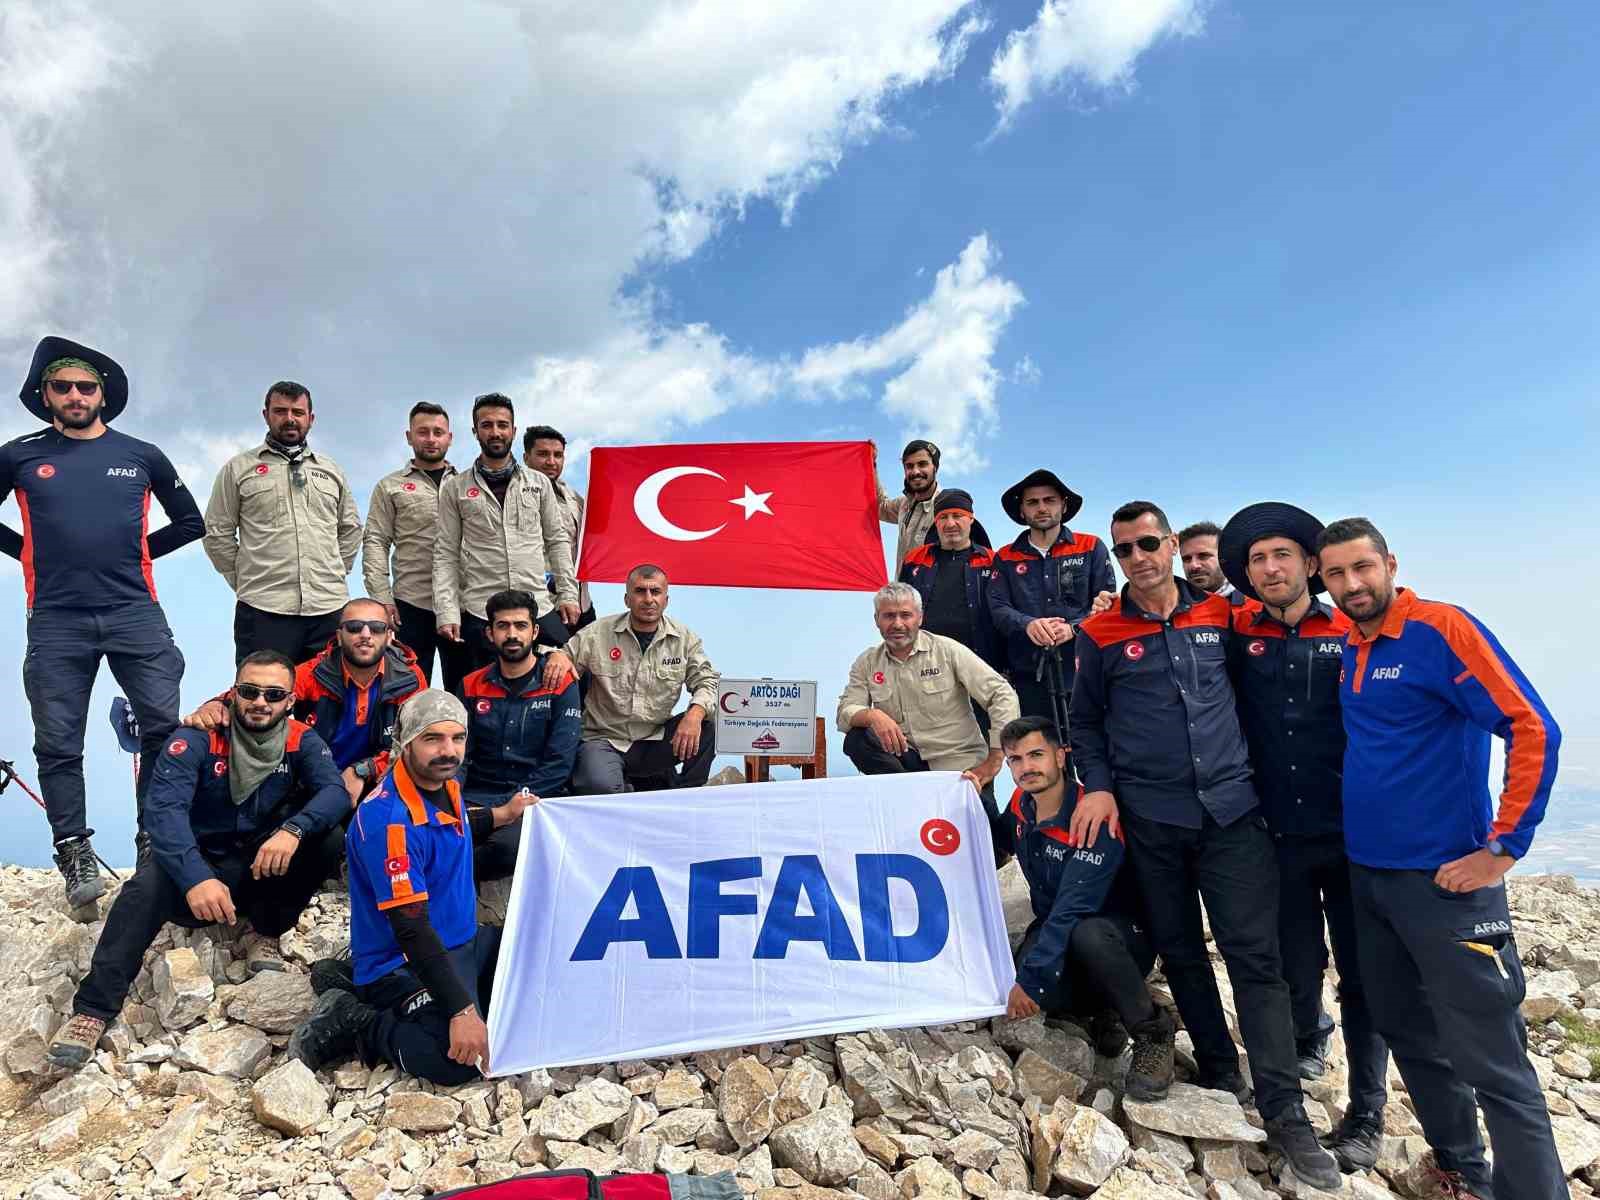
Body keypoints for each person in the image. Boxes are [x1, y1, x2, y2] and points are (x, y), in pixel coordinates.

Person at [1070, 500, 1338, 1189]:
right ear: (1115, 556)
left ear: (1172, 545)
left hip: (1232, 816)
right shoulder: (1098, 633)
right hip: (1151, 821)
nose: (1140, 557)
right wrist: (1095, 785)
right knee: (1183, 952)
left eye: (1150, 543)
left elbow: (1284, 648)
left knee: (1256, 962)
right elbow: (1088, 722)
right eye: (1125, 548)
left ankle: (1286, 1113)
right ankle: (1219, 1066)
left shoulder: (1226, 613)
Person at [1319, 516, 1563, 1200]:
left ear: (1390, 564)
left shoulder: (1440, 628)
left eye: (1361, 568)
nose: (1351, 584)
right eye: (1335, 574)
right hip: (1370, 878)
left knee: (1494, 1062)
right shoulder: (1349, 640)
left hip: (1449, 886)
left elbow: (1532, 725)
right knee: (1408, 1031)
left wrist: (1504, 849)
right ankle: (1462, 1172)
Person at [46, 651, 348, 1069]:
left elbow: (334, 793)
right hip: (199, 869)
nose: (260, 702)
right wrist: (194, 879)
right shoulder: (198, 737)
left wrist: (292, 831)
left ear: (290, 701)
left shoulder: (301, 740)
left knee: (328, 840)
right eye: (250, 691)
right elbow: (163, 812)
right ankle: (92, 1010)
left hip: (259, 868)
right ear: (234, 692)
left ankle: (265, 932)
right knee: (143, 888)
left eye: (273, 694)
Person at [2, 337, 203, 905]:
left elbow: (191, 522)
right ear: (44, 394)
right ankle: (73, 849)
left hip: (134, 611)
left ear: (102, 395)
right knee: (58, 742)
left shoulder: (142, 454)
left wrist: (133, 554)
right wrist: (25, 553)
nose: (74, 395)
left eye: (85, 387)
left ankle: (154, 839)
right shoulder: (18, 454)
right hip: (56, 618)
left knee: (164, 730)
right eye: (61, 386)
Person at [1219, 503, 1387, 1172]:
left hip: (1354, 838)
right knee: (1295, 969)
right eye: (1258, 560)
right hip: (1277, 838)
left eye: (1281, 554)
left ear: (1310, 563)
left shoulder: (1353, 630)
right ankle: (1295, 1078)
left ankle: (1367, 1111)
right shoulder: (1235, 632)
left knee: (1364, 977)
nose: (1270, 568)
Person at [288, 691, 536, 1084]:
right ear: (405, 742)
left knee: (543, 961)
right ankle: (357, 1020)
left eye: (457, 738)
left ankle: (348, 975)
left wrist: (503, 815)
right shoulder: (390, 821)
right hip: (403, 958)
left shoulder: (444, 786)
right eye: (432, 738)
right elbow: (411, 928)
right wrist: (461, 1012)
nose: (448, 751)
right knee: (456, 1060)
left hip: (464, 940)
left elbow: (452, 825)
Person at [1000, 716, 1173, 1101]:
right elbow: (988, 844)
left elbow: (1073, 907)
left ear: (1061, 757)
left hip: (1116, 937)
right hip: (1057, 926)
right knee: (1034, 983)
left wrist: (1032, 979)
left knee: (1081, 937)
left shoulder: (1091, 815)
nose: (1027, 767)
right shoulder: (1019, 806)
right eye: (1016, 759)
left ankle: (1152, 1032)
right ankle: (1102, 1011)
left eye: (1036, 755)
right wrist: (963, 792)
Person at [836, 582, 1020, 860]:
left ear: (920, 618)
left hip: (959, 771)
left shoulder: (947, 650)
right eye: (888, 616)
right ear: (877, 621)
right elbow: (845, 711)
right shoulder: (867, 663)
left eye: (905, 615)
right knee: (857, 739)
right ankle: (912, 800)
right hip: (907, 769)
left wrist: (995, 760)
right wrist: (872, 714)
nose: (897, 623)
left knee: (990, 854)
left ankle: (997, 843)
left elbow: (1001, 693)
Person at [184, 597, 426, 805]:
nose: (365, 635)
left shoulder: (410, 678)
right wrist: (216, 704)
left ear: (389, 636)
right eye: (354, 627)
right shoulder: (313, 673)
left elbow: (413, 744)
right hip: (316, 779)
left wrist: (364, 770)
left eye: (375, 628)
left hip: (382, 779)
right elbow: (262, 692)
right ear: (339, 636)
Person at [204, 381, 363, 664]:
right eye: (280, 411)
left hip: (328, 609)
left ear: (310, 419)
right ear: (266, 415)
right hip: (263, 609)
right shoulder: (239, 469)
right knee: (262, 699)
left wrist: (333, 571)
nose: (290, 419)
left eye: (298, 412)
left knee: (327, 701)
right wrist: (245, 580)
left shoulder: (331, 470)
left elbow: (349, 529)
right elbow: (217, 533)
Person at [538, 564, 719, 794]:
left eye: (655, 592)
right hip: (604, 740)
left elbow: (707, 681)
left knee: (707, 728)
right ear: (627, 598)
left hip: (654, 739)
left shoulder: (683, 639)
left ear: (666, 599)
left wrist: (695, 713)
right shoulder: (598, 633)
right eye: (640, 591)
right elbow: (562, 656)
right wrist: (557, 656)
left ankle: (684, 795)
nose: (648, 599)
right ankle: (624, 787)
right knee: (598, 786)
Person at [432, 393, 578, 671]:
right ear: (475, 431)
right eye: (487, 425)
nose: (495, 432)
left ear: (513, 429)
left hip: (537, 604)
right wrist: (447, 611)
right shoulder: (455, 488)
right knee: (474, 697)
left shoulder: (539, 484)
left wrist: (568, 594)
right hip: (480, 610)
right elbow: (446, 553)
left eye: (502, 424)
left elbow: (557, 542)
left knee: (566, 675)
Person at [460, 589, 583, 879]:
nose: (512, 634)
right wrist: (451, 798)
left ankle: (449, 877)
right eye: (503, 626)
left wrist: (518, 801)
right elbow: (460, 755)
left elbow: (560, 762)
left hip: (537, 799)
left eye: (521, 625)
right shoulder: (470, 685)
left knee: (507, 848)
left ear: (535, 631)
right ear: (490, 634)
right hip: (478, 797)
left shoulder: (560, 683)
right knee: (436, 833)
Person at [989, 469, 1115, 724]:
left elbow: (1107, 606)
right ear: (1022, 511)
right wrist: (1028, 625)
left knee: (1090, 751)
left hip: (1084, 673)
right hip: (1027, 679)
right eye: (1032, 502)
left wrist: (1073, 629)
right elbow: (998, 608)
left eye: (1050, 500)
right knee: (1040, 753)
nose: (1042, 508)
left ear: (1063, 505)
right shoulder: (1005, 557)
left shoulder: (1091, 546)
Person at [363, 402, 468, 691]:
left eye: (438, 432)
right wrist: (381, 598)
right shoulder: (390, 486)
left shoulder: (468, 485)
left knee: (465, 692)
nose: (431, 439)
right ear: (409, 437)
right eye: (423, 432)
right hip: (410, 606)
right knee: (405, 692)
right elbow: (375, 541)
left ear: (450, 437)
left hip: (461, 604)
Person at [897, 488, 1005, 672]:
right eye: (943, 517)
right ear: (935, 522)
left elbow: (1005, 613)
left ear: (971, 519)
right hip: (926, 665)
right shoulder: (914, 560)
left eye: (957, 515)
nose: (950, 523)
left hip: (982, 665)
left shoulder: (993, 561)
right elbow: (899, 610)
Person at [523, 424, 596, 632]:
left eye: (558, 455)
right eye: (543, 454)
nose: (551, 462)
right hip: (540, 607)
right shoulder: (513, 496)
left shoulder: (574, 498)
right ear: (526, 457)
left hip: (580, 604)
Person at [876, 439, 941, 569]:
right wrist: (871, 464)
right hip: (903, 588)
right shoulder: (904, 504)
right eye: (909, 466)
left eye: (922, 464)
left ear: (935, 467)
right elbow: (879, 507)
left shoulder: (946, 507)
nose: (916, 471)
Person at [1178, 521, 1240, 602]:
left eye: (1203, 556)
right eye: (1187, 559)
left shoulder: (1256, 605)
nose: (1194, 565)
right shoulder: (1170, 610)